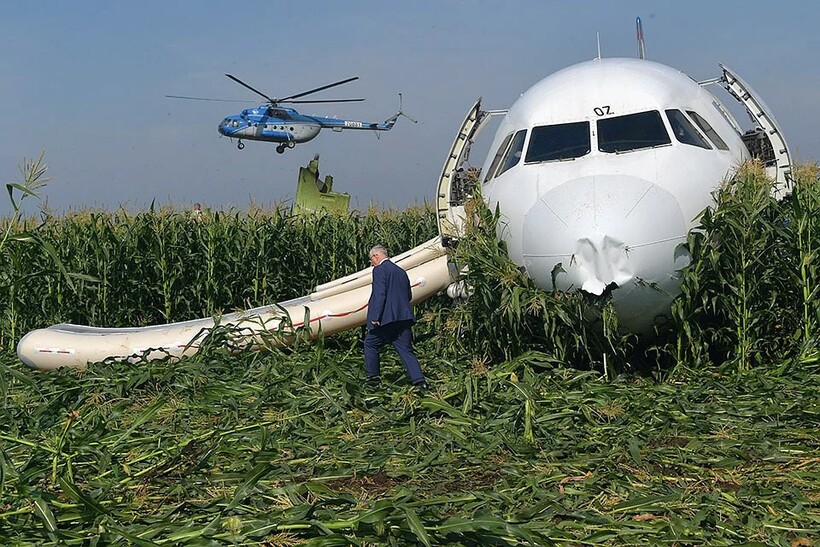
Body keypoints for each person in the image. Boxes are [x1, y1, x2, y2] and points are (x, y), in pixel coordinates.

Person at [364, 245, 428, 390]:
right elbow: (409, 295)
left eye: (371, 260)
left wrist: (375, 316)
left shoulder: (379, 270)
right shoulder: (401, 271)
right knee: (405, 349)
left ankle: (373, 379)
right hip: (404, 317)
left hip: (388, 318)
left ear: (376, 256)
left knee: (370, 343)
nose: (371, 263)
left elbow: (380, 294)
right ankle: (420, 381)